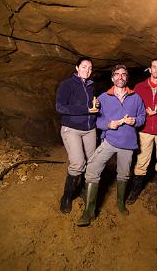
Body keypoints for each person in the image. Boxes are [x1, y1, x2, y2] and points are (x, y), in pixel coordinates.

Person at [77, 64, 146, 226]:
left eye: (123, 74)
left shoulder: (135, 97)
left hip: (128, 143)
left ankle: (120, 203)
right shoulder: (103, 98)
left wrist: (135, 121)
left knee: (123, 174)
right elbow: (96, 120)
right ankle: (89, 211)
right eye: (117, 74)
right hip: (109, 140)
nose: (120, 77)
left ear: (127, 78)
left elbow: (142, 116)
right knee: (92, 169)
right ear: (112, 78)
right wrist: (108, 124)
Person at [126, 59, 157, 204]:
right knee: (141, 162)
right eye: (154, 67)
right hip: (145, 130)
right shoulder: (139, 87)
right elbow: (132, 107)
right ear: (150, 69)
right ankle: (135, 191)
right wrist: (144, 113)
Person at [56, 57, 98, 214]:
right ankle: (66, 197)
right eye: (84, 67)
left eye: (90, 68)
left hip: (89, 129)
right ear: (77, 67)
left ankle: (81, 189)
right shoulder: (67, 84)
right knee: (78, 163)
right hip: (71, 128)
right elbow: (60, 107)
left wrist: (95, 108)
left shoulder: (91, 86)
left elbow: (90, 107)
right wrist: (85, 110)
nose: (87, 70)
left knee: (92, 162)